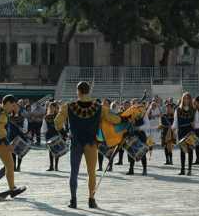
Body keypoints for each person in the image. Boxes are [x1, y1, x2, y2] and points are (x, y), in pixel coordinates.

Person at [55, 81, 121, 209]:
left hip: (76, 143)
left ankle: (73, 200)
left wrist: (63, 133)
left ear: (78, 91)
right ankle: (91, 200)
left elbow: (57, 122)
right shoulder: (99, 108)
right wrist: (126, 117)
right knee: (92, 173)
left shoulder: (68, 106)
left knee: (74, 172)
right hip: (91, 144)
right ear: (89, 91)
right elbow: (115, 120)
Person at [0, 95, 23, 195]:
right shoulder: (3, 114)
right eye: (13, 105)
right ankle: (12, 189)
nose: (13, 108)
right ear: (7, 103)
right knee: (10, 166)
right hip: (1, 143)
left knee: (7, 166)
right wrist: (7, 144)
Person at [172, 92, 199, 176]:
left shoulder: (194, 110)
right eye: (185, 98)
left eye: (188, 98)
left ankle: (190, 169)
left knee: (190, 150)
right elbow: (175, 122)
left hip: (190, 132)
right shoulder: (178, 109)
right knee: (182, 151)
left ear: (190, 99)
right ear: (182, 99)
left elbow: (197, 124)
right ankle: (182, 169)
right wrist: (173, 130)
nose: (186, 100)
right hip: (181, 131)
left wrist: (194, 124)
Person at [123, 99, 150, 176]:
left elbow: (147, 125)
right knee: (130, 152)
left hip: (140, 134)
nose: (136, 105)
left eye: (137, 103)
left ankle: (144, 169)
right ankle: (131, 169)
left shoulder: (143, 113)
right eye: (134, 104)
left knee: (142, 152)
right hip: (131, 134)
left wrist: (138, 128)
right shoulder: (128, 114)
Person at [42, 101, 60, 171]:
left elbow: (62, 126)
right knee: (51, 151)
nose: (52, 108)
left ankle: (56, 166)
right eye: (50, 107)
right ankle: (51, 166)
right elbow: (44, 127)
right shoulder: (46, 117)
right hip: (49, 134)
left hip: (56, 134)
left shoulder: (58, 116)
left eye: (53, 107)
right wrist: (45, 135)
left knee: (57, 150)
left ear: (55, 108)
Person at [10, 102, 28, 172]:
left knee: (20, 152)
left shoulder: (23, 118)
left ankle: (18, 166)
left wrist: (22, 129)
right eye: (14, 107)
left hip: (20, 136)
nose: (15, 108)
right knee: (12, 152)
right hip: (12, 136)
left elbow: (25, 129)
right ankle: (14, 166)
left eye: (17, 107)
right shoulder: (10, 117)